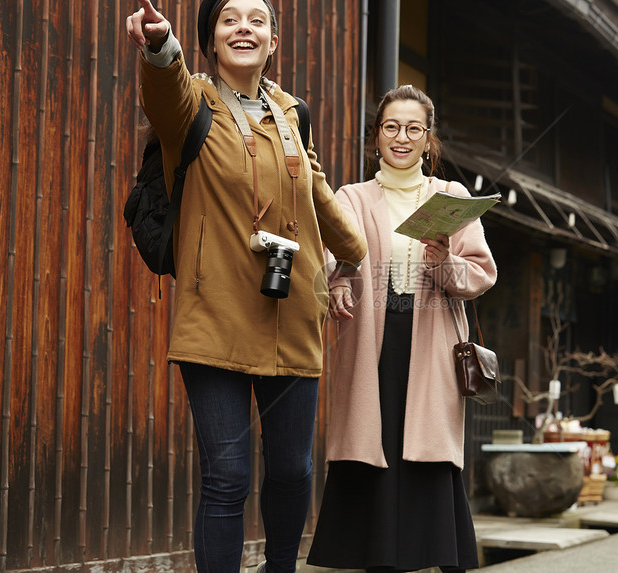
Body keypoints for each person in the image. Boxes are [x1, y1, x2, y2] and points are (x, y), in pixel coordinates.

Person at [125, 1, 367, 572]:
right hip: (215, 315)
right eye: (229, 18)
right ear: (211, 38)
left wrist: (354, 256)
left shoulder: (291, 112)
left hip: (291, 314)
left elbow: (315, 189)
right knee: (226, 477)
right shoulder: (192, 105)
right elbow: (165, 90)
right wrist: (161, 47)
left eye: (257, 19)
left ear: (273, 41)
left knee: (293, 471)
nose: (244, 28)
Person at [307, 85, 498, 572]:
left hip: (431, 338)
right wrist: (338, 280)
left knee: (426, 446)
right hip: (372, 337)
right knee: (375, 443)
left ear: (428, 138)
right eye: (391, 126)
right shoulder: (353, 197)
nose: (402, 137)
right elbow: (333, 252)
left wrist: (445, 260)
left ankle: (439, 555)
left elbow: (480, 273)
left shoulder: (449, 196)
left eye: (414, 128)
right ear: (376, 136)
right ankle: (381, 559)